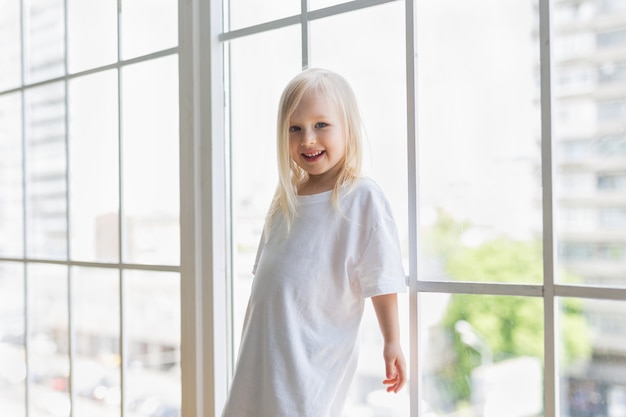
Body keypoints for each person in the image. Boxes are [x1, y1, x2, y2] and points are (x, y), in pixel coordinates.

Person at [221, 68, 407, 417]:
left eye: (321, 125)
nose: (307, 138)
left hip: (309, 368)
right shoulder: (284, 201)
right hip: (260, 362)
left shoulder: (360, 198)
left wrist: (392, 340)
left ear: (348, 128)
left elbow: (382, 278)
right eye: (295, 128)